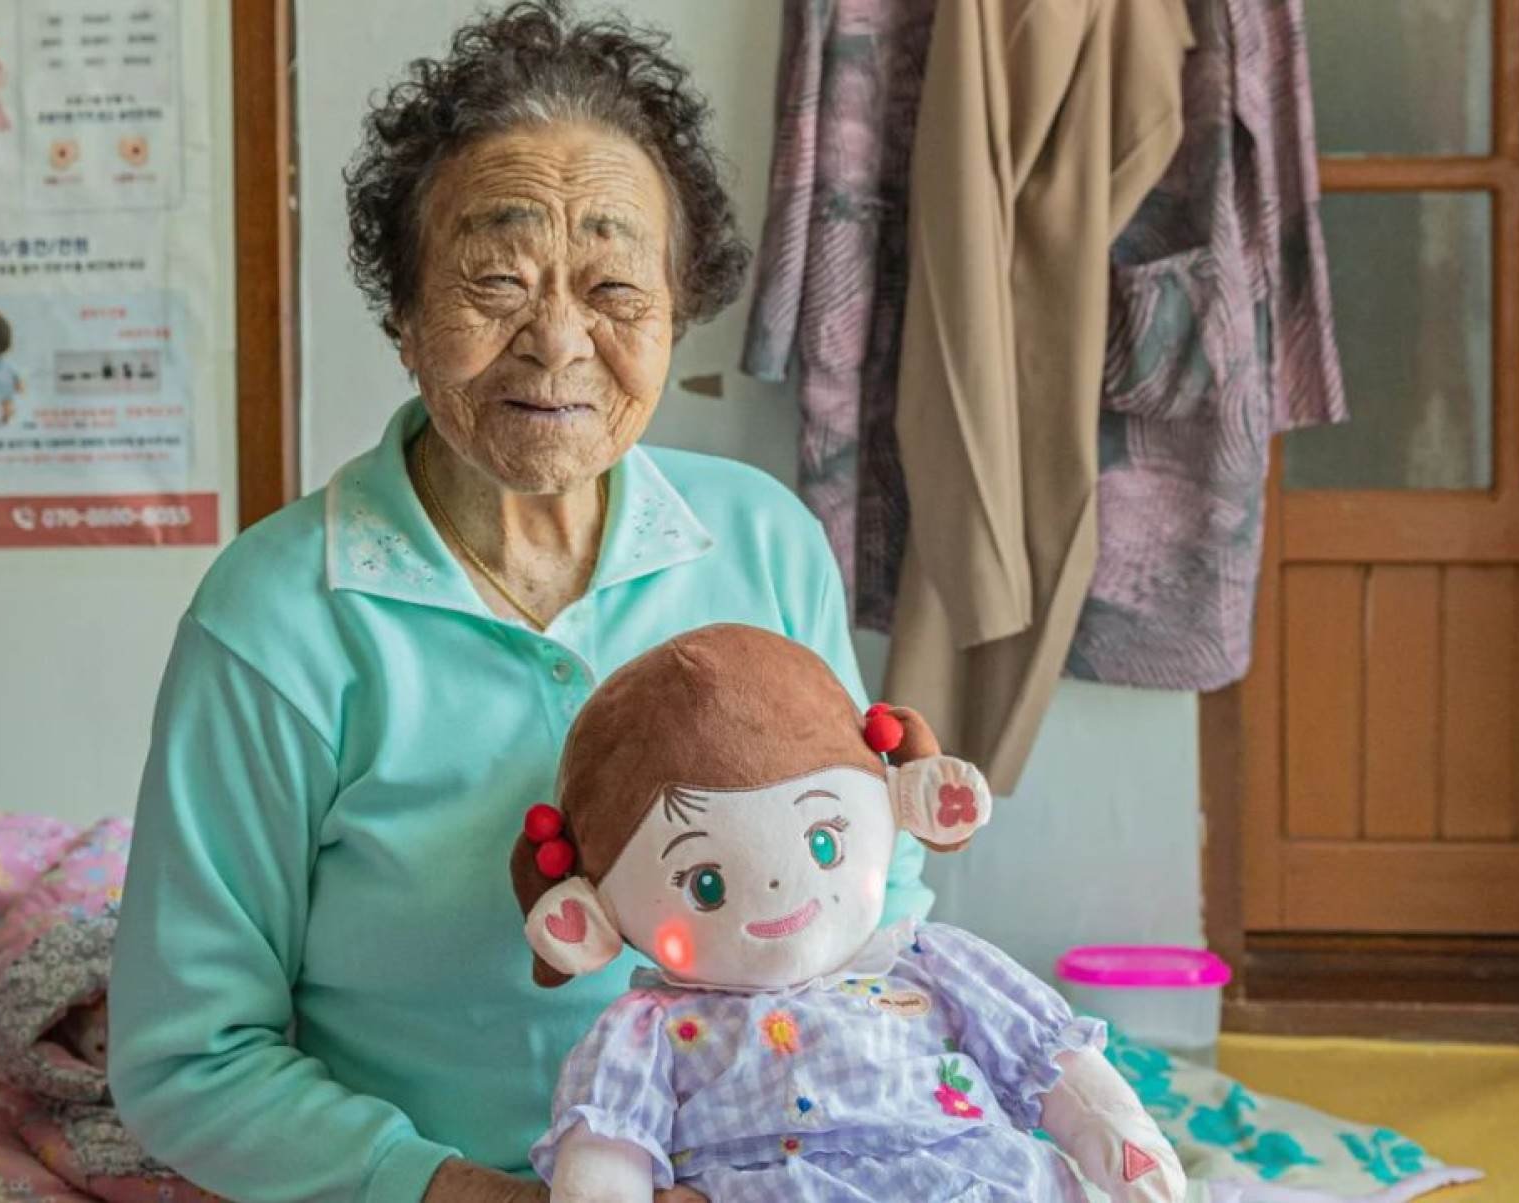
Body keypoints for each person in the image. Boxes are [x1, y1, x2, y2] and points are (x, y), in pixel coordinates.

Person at [106, 4, 933, 1202]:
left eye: (614, 288)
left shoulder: (763, 543)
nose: (556, 343)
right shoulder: (278, 617)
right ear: (403, 315)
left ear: (677, 309)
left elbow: (872, 892)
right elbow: (189, 1058)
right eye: (495, 283)